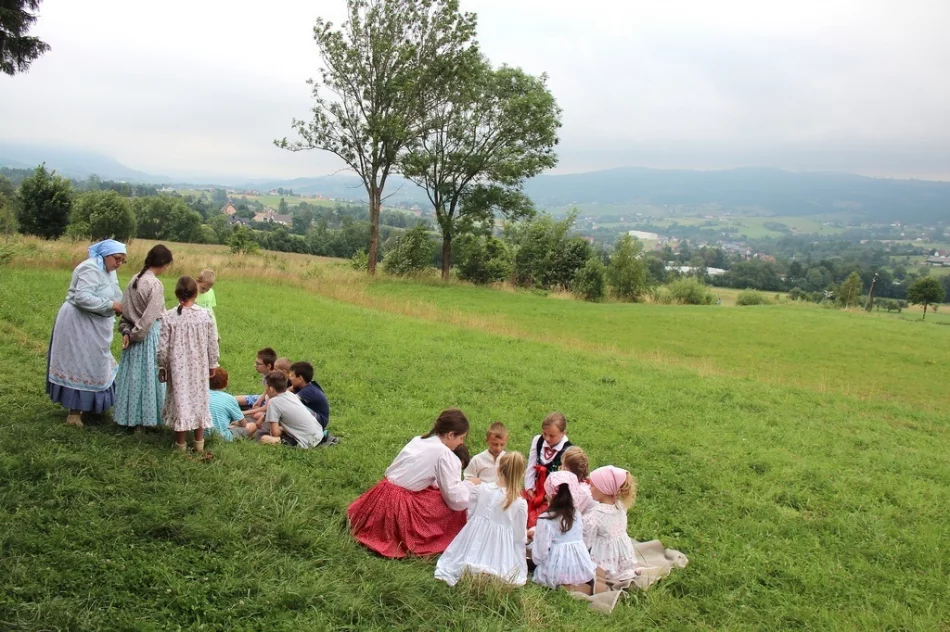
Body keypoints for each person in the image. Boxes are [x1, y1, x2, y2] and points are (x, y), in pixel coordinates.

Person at [347, 409, 475, 558]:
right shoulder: (444, 454)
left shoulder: (419, 440)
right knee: (453, 508)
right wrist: (470, 486)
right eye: (461, 438)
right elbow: (455, 499)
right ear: (451, 434)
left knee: (435, 493)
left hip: (381, 493)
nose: (462, 443)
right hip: (398, 505)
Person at [47, 239, 126, 428]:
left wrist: (122, 304)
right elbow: (82, 297)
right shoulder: (90, 268)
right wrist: (111, 305)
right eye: (116, 259)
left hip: (96, 323)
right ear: (105, 255)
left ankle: (90, 406)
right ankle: (74, 414)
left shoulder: (109, 270)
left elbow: (114, 292)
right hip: (79, 323)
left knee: (98, 363)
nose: (119, 264)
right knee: (81, 364)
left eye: (123, 260)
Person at [435, 452, 529, 586]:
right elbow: (519, 536)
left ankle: (472, 568)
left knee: (457, 561)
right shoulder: (519, 503)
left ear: (498, 469)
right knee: (501, 570)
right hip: (499, 548)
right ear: (521, 475)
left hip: (474, 537)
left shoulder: (480, 489)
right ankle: (486, 572)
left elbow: (471, 514)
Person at [114, 244, 173, 430]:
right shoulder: (154, 284)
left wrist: (127, 332)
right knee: (148, 379)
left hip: (133, 334)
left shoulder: (135, 279)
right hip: (146, 337)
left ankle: (131, 418)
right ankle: (146, 421)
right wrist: (136, 335)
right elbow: (149, 317)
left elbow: (126, 310)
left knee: (134, 378)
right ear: (162, 263)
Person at [158, 276, 219, 452]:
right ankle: (199, 444)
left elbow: (163, 348)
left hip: (178, 369)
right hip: (199, 367)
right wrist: (212, 363)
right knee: (199, 400)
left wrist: (162, 366)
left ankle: (181, 444)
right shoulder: (205, 315)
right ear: (196, 293)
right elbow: (212, 342)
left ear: (177, 294)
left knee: (180, 401)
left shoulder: (169, 317)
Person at [530, 471, 597, 590]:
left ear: (549, 494)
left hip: (556, 571)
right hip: (580, 567)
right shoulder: (576, 514)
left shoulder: (545, 518)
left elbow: (540, 553)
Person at [583, 466, 641, 584]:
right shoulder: (620, 506)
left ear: (603, 489)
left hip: (605, 560)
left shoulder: (596, 514)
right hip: (624, 558)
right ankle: (626, 572)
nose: (589, 487)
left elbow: (586, 541)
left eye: (592, 485)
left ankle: (608, 575)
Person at [524, 412, 573, 528]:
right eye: (545, 434)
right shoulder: (538, 441)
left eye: (552, 436)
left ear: (563, 433)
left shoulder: (568, 450)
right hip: (535, 489)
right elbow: (531, 465)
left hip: (552, 497)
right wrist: (529, 488)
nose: (547, 438)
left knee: (541, 521)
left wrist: (549, 497)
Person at [257, 371, 325, 448]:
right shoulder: (290, 394)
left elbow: (275, 433)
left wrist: (279, 430)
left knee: (264, 439)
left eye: (266, 388)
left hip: (307, 442)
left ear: (271, 389)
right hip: (319, 434)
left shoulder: (273, 402)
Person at [208, 367, 256, 440]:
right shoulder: (229, 399)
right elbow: (243, 424)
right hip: (221, 437)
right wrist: (235, 424)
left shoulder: (201, 396)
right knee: (252, 425)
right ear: (226, 383)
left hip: (198, 436)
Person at [237, 347, 277, 420]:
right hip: (267, 398)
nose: (255, 365)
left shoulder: (274, 381)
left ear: (268, 366)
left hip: (272, 404)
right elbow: (266, 390)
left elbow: (266, 408)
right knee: (234, 399)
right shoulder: (266, 374)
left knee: (256, 415)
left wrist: (243, 413)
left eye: (258, 364)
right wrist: (261, 398)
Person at [289, 361, 330, 429]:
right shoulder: (306, 386)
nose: (290, 378)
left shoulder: (309, 391)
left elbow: (289, 402)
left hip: (320, 420)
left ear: (300, 378)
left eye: (292, 376)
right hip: (315, 417)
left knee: (294, 406)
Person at [561, 446, 595, 515]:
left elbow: (568, 516)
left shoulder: (579, 492)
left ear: (566, 469)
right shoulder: (586, 484)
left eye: (561, 465)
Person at [195, 269, 218, 339]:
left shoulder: (211, 292)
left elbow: (211, 312)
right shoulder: (191, 293)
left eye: (208, 289)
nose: (205, 291)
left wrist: (216, 332)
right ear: (197, 281)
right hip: (197, 327)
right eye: (203, 288)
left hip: (209, 326)